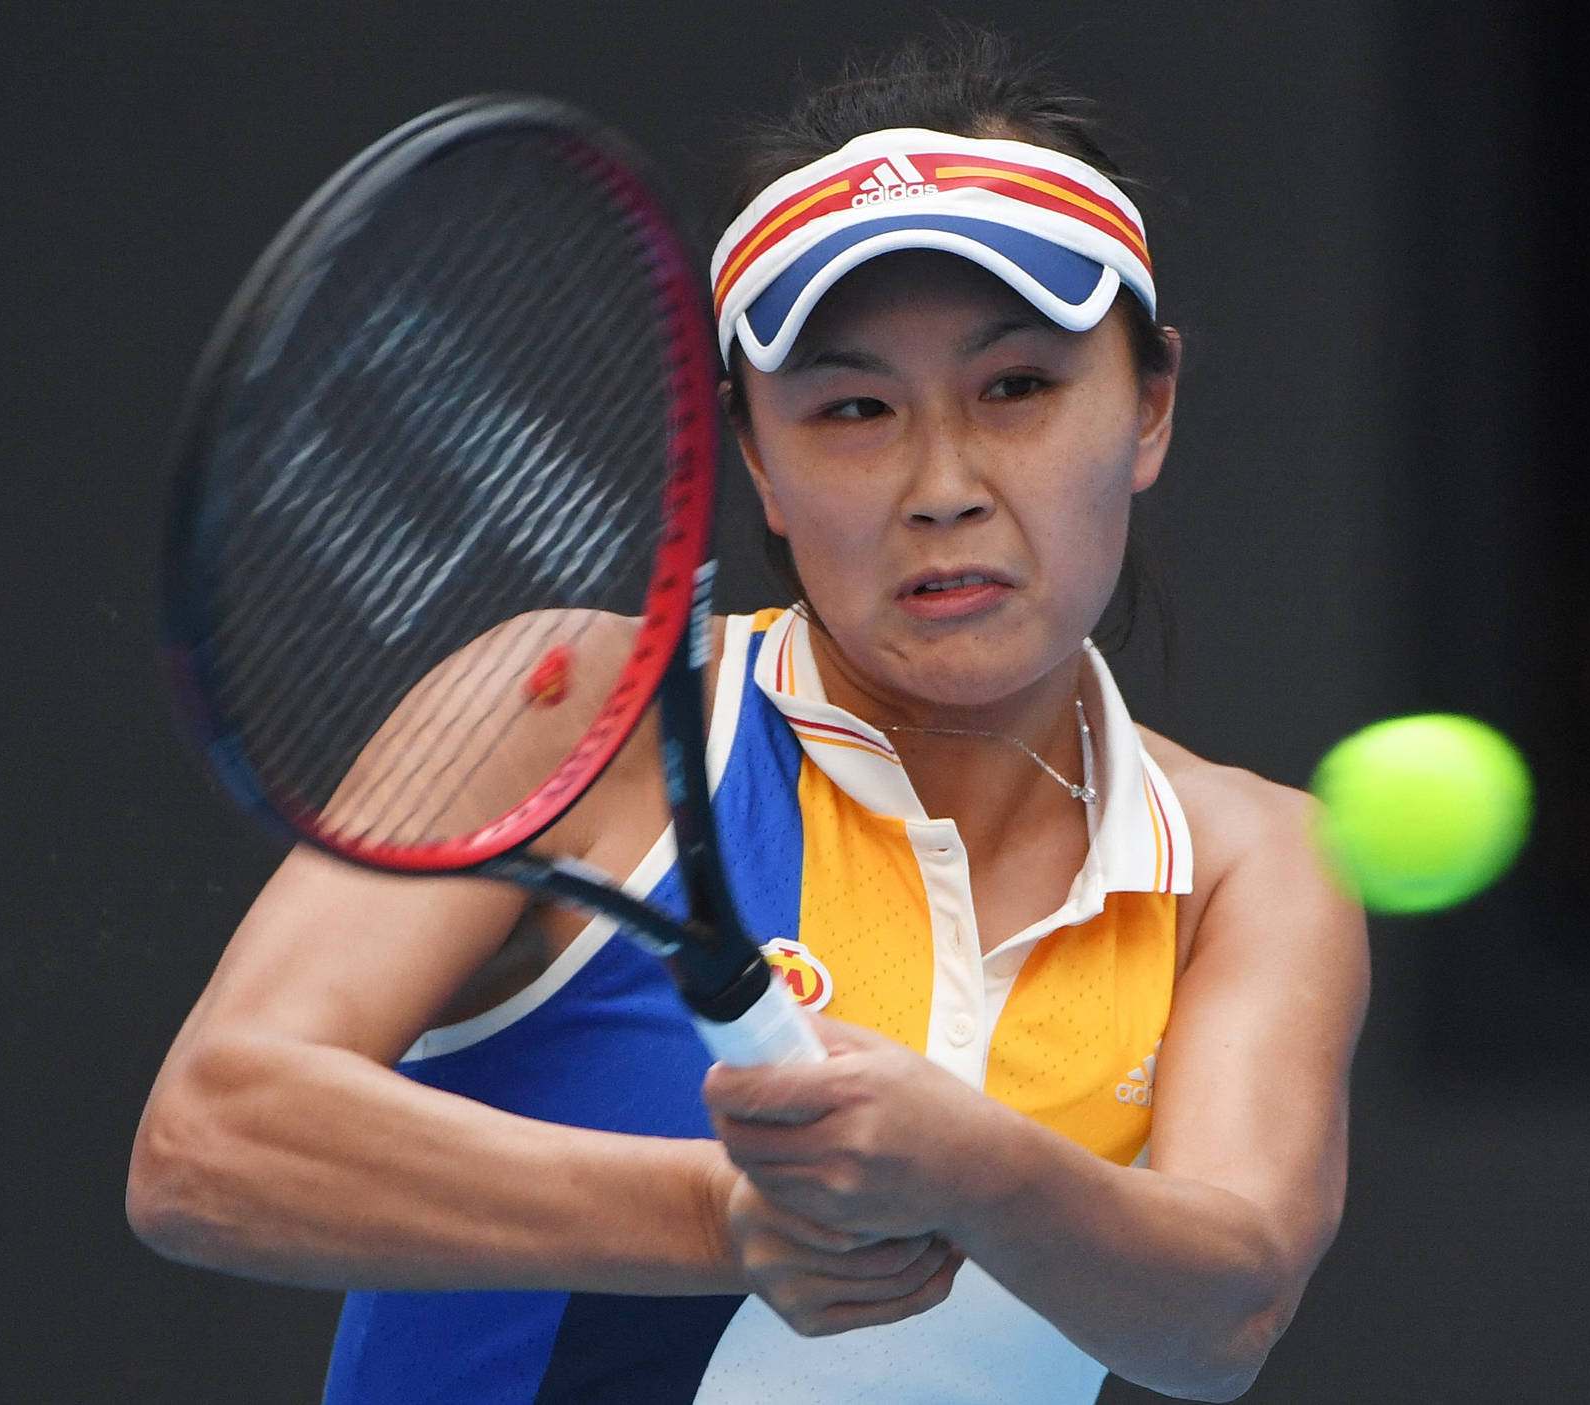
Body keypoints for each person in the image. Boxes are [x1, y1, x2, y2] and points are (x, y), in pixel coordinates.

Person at [128, 30, 1367, 1405]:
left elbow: (1223, 1310)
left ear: (1149, 407)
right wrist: (717, 1215)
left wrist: (967, 1160)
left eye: (1017, 387)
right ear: (759, 459)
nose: (941, 482)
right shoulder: (583, 711)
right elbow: (209, 1138)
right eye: (851, 407)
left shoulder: (1250, 863)